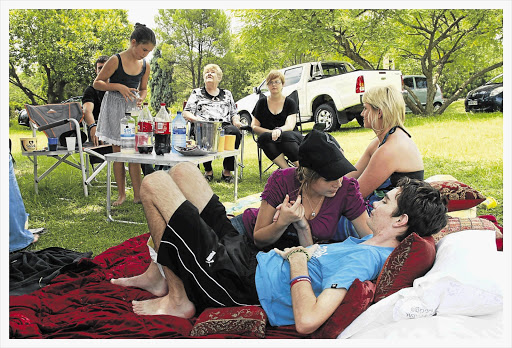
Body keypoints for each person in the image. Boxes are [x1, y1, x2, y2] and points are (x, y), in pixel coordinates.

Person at [110, 162, 447, 334]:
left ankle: (178, 298)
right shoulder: (366, 241)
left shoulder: (364, 261)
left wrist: (297, 259)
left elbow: (308, 320)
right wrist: (300, 227)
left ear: (401, 221)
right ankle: (159, 279)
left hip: (237, 284)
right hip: (250, 259)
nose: (375, 203)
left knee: (153, 183)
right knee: (183, 171)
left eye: (385, 201)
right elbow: (318, 259)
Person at [230, 129, 372, 251]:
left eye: (341, 174)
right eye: (329, 178)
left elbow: (370, 238)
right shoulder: (282, 180)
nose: (338, 183)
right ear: (309, 175)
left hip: (293, 254)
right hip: (245, 235)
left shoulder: (347, 189)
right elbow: (259, 239)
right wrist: (282, 222)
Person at [337, 85, 424, 240]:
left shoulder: (390, 149)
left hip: (393, 219)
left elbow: (355, 194)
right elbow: (348, 177)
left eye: (365, 108)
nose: (362, 113)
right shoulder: (382, 142)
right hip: (386, 209)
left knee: (325, 220)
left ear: (379, 112)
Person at [94, 23, 156, 206]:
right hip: (114, 107)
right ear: (133, 42)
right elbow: (97, 83)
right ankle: (122, 195)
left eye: (148, 51)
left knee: (134, 152)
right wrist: (118, 86)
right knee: (118, 152)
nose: (145, 54)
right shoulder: (115, 60)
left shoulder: (145, 65)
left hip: (132, 109)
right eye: (143, 49)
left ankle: (138, 195)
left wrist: (141, 98)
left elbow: (143, 89)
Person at [183, 64, 242, 183]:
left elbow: (234, 113)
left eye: (213, 72)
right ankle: (208, 171)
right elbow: (186, 112)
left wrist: (236, 121)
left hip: (223, 125)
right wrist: (196, 120)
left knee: (234, 132)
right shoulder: (197, 92)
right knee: (204, 131)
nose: (209, 74)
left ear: (219, 78)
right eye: (207, 72)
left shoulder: (227, 94)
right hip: (203, 124)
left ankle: (227, 171)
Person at [251, 70, 304, 168]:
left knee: (285, 136)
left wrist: (279, 130)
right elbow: (254, 126)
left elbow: (290, 125)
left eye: (277, 82)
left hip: (290, 136)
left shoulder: (290, 102)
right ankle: (287, 170)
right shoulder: (261, 103)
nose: (273, 85)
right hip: (270, 137)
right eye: (270, 82)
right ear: (267, 85)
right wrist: (271, 132)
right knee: (263, 138)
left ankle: (301, 169)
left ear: (282, 84)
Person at [82, 55, 109, 146]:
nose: (102, 70)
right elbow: (87, 110)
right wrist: (93, 126)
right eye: (100, 68)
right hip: (98, 129)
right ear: (96, 71)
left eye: (106, 67)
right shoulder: (91, 90)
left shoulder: (118, 89)